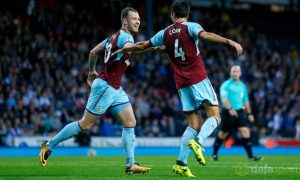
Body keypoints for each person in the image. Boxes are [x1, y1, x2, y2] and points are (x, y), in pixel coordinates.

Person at [112, 0, 243, 177]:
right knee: (215, 115)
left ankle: (181, 163)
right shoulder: (191, 26)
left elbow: (143, 45)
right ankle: (199, 141)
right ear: (187, 15)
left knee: (194, 124)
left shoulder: (164, 32)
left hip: (181, 84)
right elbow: (205, 36)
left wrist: (124, 50)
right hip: (198, 78)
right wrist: (229, 41)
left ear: (173, 14)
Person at [39, 7, 153, 175]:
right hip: (106, 86)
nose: (138, 21)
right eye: (134, 19)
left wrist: (91, 71)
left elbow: (94, 52)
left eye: (139, 19)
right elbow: (131, 47)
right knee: (85, 125)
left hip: (114, 87)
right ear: (125, 21)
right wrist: (152, 45)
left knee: (130, 122)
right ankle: (48, 146)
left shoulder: (113, 37)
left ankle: (131, 164)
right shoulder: (124, 37)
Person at [212, 65, 263, 161]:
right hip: (228, 112)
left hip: (239, 112)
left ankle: (251, 156)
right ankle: (214, 154)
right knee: (223, 134)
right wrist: (230, 109)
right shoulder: (226, 85)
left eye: (237, 71)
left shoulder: (243, 86)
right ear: (230, 73)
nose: (235, 73)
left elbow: (245, 101)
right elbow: (224, 98)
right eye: (233, 71)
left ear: (240, 73)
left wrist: (249, 114)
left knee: (245, 131)